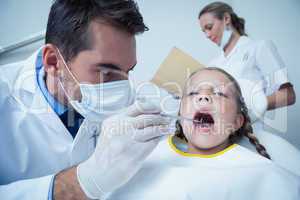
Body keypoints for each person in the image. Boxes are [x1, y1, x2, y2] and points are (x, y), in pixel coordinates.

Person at [0, 0, 172, 199]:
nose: (122, 89)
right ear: (53, 62)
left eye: (128, 71)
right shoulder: (5, 97)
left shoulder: (127, 92)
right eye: (106, 72)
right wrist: (84, 181)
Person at [107, 67, 300, 200]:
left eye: (219, 93)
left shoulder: (266, 175)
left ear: (236, 122)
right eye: (192, 94)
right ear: (181, 114)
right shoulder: (145, 159)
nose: (203, 96)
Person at [198, 1, 300, 176]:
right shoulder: (213, 64)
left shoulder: (259, 48)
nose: (207, 35)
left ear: (226, 19)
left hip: (252, 136)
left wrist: (250, 106)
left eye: (209, 27)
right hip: (220, 140)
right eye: (203, 31)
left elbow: (288, 95)